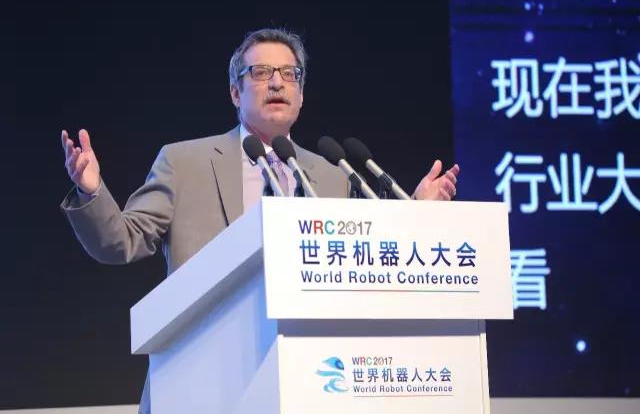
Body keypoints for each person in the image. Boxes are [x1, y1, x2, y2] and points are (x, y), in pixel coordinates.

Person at [60, 28, 459, 414]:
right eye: (261, 72)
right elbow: (121, 241)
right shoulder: (185, 162)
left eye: (289, 74)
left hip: (308, 379)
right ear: (235, 92)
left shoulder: (331, 176)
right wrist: (91, 191)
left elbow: (362, 263)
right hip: (200, 377)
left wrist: (415, 213)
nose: (277, 83)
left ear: (301, 95)